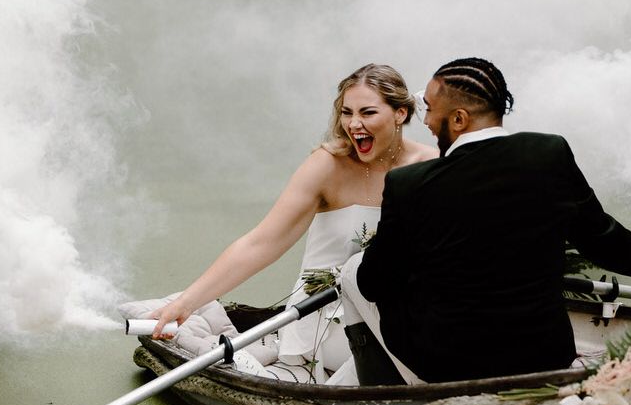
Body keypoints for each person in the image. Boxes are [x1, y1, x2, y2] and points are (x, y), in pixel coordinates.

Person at [340, 57, 631, 384]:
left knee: (354, 270)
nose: (426, 121)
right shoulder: (550, 154)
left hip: (448, 367)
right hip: (545, 356)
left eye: (429, 109)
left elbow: (374, 283)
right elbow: (604, 241)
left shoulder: (408, 184)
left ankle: (386, 397)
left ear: (459, 119)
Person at [149, 63, 438, 382]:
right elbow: (261, 243)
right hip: (323, 319)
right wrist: (186, 303)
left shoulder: (431, 166)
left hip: (393, 311)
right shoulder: (327, 166)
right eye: (346, 113)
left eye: (367, 113)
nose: (354, 124)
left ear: (400, 113)